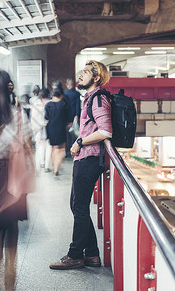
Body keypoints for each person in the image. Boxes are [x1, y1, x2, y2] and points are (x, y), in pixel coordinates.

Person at [49, 60, 112, 270]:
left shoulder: (99, 98)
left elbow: (105, 131)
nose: (81, 74)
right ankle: (92, 254)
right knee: (78, 205)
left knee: (78, 206)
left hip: (90, 157)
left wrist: (79, 142)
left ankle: (75, 255)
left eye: (86, 72)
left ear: (96, 78)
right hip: (85, 157)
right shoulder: (90, 97)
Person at [0, 70, 32, 290]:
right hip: (15, 177)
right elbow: (28, 143)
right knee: (12, 227)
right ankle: (11, 273)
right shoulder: (18, 114)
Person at [44, 86, 70, 176]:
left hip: (50, 129)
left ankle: (54, 164)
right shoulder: (64, 105)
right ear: (61, 95)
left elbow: (46, 118)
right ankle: (56, 169)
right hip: (61, 128)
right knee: (61, 149)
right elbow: (68, 118)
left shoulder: (48, 105)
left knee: (53, 148)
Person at [30, 87, 52, 171]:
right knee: (48, 147)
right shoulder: (51, 103)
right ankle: (47, 166)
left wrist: (33, 129)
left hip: (38, 128)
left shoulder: (35, 104)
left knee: (39, 146)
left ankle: (41, 163)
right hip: (49, 128)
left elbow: (32, 118)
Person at [63, 78, 81, 158]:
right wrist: (77, 115)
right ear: (73, 85)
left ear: (67, 85)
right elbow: (78, 105)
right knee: (74, 133)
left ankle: (66, 151)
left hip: (65, 116)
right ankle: (73, 150)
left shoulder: (64, 93)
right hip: (73, 116)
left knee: (67, 134)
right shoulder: (76, 94)